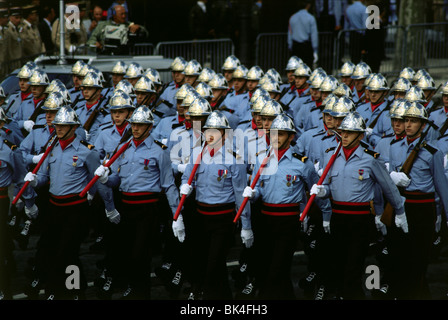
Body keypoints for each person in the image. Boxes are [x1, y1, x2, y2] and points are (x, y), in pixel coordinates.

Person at [311, 111, 407, 299]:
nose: (344, 136)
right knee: (337, 267)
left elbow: (388, 187)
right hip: (338, 217)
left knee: (353, 269)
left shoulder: (370, 158)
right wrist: (323, 192)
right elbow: (331, 187)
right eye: (343, 132)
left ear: (360, 135)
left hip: (360, 220)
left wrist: (400, 211)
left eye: (349, 133)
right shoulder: (332, 155)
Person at [93, 105, 180, 300]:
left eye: (140, 125)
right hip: (126, 206)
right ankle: (133, 287)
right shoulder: (122, 148)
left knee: (141, 254)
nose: (135, 128)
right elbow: (117, 179)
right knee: (125, 252)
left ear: (149, 127)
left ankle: (141, 293)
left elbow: (169, 185)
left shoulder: (160, 151)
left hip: (147, 208)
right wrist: (107, 179)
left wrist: (176, 215)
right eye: (133, 124)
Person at [243, 113, 331, 299]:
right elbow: (258, 188)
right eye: (273, 133)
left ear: (291, 137)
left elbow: (315, 190)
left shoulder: (302, 164)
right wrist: (252, 194)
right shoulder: (262, 159)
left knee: (277, 269)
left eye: (281, 134)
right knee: (271, 270)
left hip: (288, 221)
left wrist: (325, 215)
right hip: (266, 219)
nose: (275, 138)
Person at [23, 106, 103, 300]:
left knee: (67, 251)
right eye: (57, 125)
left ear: (73, 127)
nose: (58, 128)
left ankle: (68, 291)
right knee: (48, 249)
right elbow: (42, 177)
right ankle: (66, 289)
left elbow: (96, 179)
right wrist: (34, 180)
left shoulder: (87, 151)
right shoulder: (51, 149)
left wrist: (91, 197)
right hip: (54, 207)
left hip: (76, 208)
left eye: (63, 125)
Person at [178, 109, 252, 300]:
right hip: (201, 218)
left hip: (223, 219)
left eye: (217, 131)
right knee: (210, 265)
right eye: (208, 130)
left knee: (213, 264)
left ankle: (208, 297)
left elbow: (240, 195)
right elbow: (188, 179)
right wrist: (185, 187)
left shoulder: (235, 159)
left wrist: (246, 226)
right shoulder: (197, 154)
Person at [387, 102, 448, 299]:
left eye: (414, 121)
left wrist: (444, 215)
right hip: (401, 207)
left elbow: (442, 187)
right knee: (399, 256)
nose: (409, 125)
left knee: (419, 259)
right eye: (406, 120)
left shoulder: (432, 153)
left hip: (422, 208)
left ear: (423, 125)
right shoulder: (395, 148)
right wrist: (392, 177)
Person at [287, 0, 318, 68]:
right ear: (308, 5)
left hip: (295, 47)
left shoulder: (292, 17)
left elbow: (290, 34)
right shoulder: (310, 18)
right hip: (306, 47)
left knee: (295, 70)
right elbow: (314, 36)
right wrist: (315, 50)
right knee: (307, 69)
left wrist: (290, 47)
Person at [345, 0, 368, 64]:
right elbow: (365, 25)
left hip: (352, 34)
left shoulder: (349, 9)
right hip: (360, 34)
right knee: (361, 57)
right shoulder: (363, 9)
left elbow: (346, 24)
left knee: (353, 57)